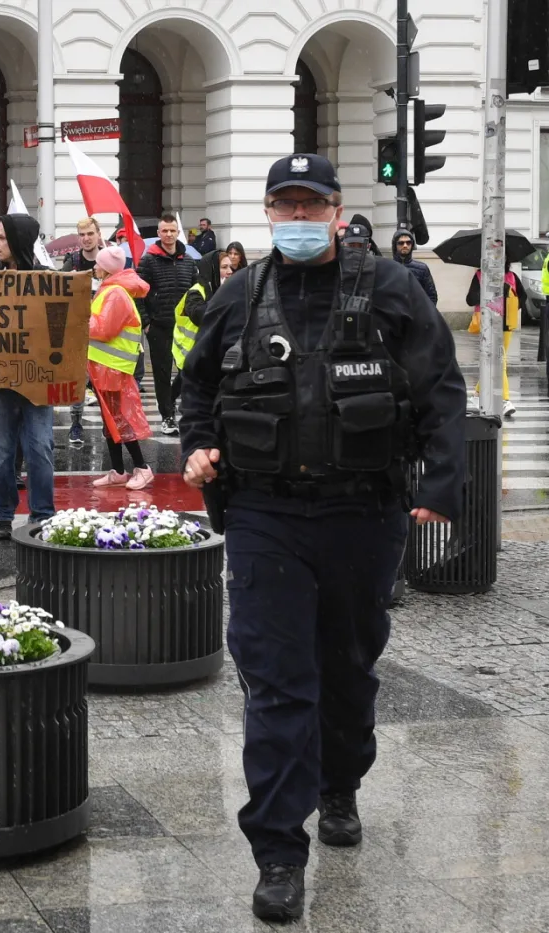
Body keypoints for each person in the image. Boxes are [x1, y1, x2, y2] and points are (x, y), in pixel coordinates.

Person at [180, 153, 466, 923]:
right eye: (287, 207)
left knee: (347, 666)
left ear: (338, 212)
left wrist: (441, 483)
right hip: (266, 515)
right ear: (270, 212)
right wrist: (198, 443)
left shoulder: (390, 288)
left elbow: (440, 384)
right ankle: (277, 849)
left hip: (362, 513)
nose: (299, 221)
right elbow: (197, 383)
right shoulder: (241, 293)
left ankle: (340, 784)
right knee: (276, 680)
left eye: (313, 208)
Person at [0, 214, 56, 540]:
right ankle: (2, 513)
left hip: (37, 380)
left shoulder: (50, 280)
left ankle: (42, 515)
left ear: (19, 240)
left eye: (1, 238)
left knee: (40, 448)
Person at [87, 246, 154, 489]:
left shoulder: (115, 293)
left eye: (97, 263)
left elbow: (103, 329)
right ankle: (117, 470)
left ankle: (143, 468)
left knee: (119, 419)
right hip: (105, 367)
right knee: (110, 419)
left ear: (105, 268)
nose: (94, 266)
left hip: (112, 368)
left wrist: (79, 318)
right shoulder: (110, 290)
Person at [137, 212, 197, 437]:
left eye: (172, 231)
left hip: (183, 328)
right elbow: (138, 293)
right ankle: (167, 416)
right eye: (165, 231)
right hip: (158, 325)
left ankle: (171, 400)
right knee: (162, 373)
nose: (169, 234)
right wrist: (146, 321)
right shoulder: (148, 259)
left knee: (187, 369)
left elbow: (195, 292)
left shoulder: (188, 260)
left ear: (177, 232)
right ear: (159, 233)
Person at [171, 250, 234, 419]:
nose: (230, 271)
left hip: (213, 354)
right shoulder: (196, 291)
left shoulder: (227, 289)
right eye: (224, 267)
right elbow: (200, 315)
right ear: (212, 269)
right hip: (191, 352)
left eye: (231, 267)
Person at [65, 217, 106, 444]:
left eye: (90, 233)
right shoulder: (72, 260)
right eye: (82, 235)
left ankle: (108, 425)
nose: (86, 238)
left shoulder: (108, 259)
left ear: (98, 234)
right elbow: (59, 287)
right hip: (79, 328)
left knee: (103, 382)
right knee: (79, 379)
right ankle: (76, 424)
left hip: (104, 331)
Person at [467, 265, 524, 417]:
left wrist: (508, 300)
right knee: (500, 361)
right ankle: (504, 400)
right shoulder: (480, 275)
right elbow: (470, 299)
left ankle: (478, 395)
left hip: (505, 326)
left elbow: (522, 298)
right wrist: (489, 290)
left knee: (498, 360)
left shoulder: (511, 276)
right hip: (487, 324)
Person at [391, 229, 437, 304]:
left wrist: (425, 314)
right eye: (401, 243)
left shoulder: (422, 268)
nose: (405, 245)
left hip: (416, 313)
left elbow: (431, 296)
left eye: (408, 242)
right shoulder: (388, 267)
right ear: (395, 245)